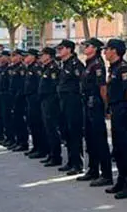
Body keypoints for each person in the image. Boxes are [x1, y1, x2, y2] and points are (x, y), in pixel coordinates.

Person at [103, 39, 127, 199]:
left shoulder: (123, 69)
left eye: (107, 49)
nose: (105, 52)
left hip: (123, 110)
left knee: (126, 148)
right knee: (117, 147)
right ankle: (121, 180)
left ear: (115, 50)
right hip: (116, 109)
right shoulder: (113, 68)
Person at [78, 38, 113, 186]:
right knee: (90, 138)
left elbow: (102, 88)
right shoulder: (89, 63)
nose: (84, 48)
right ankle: (93, 169)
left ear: (95, 48)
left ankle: (106, 174)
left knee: (99, 139)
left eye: (87, 46)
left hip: (95, 103)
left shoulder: (97, 64)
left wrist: (106, 106)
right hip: (87, 102)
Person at [56, 39, 85, 175]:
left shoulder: (76, 64)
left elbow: (82, 83)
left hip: (73, 102)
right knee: (66, 132)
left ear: (69, 49)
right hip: (64, 101)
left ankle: (77, 164)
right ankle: (71, 161)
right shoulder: (64, 64)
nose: (59, 51)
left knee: (74, 133)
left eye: (61, 48)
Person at [38, 47, 63, 167]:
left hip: (51, 102)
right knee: (47, 129)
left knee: (52, 130)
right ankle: (51, 154)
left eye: (43, 55)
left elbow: (54, 88)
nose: (41, 57)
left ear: (49, 56)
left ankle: (56, 156)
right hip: (44, 101)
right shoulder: (46, 68)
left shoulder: (54, 68)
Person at [23, 49, 46, 159]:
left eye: (27, 55)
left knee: (38, 125)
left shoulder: (37, 68)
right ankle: (36, 147)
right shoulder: (30, 68)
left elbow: (39, 85)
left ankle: (41, 148)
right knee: (32, 124)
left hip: (35, 100)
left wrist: (37, 99)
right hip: (29, 99)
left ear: (33, 56)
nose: (25, 58)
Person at [9, 49, 29, 152]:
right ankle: (18, 141)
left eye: (15, 55)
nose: (13, 58)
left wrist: (17, 97)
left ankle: (23, 142)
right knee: (15, 120)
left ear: (20, 57)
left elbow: (22, 86)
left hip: (20, 98)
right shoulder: (13, 68)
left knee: (20, 121)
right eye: (12, 56)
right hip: (13, 97)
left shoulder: (22, 69)